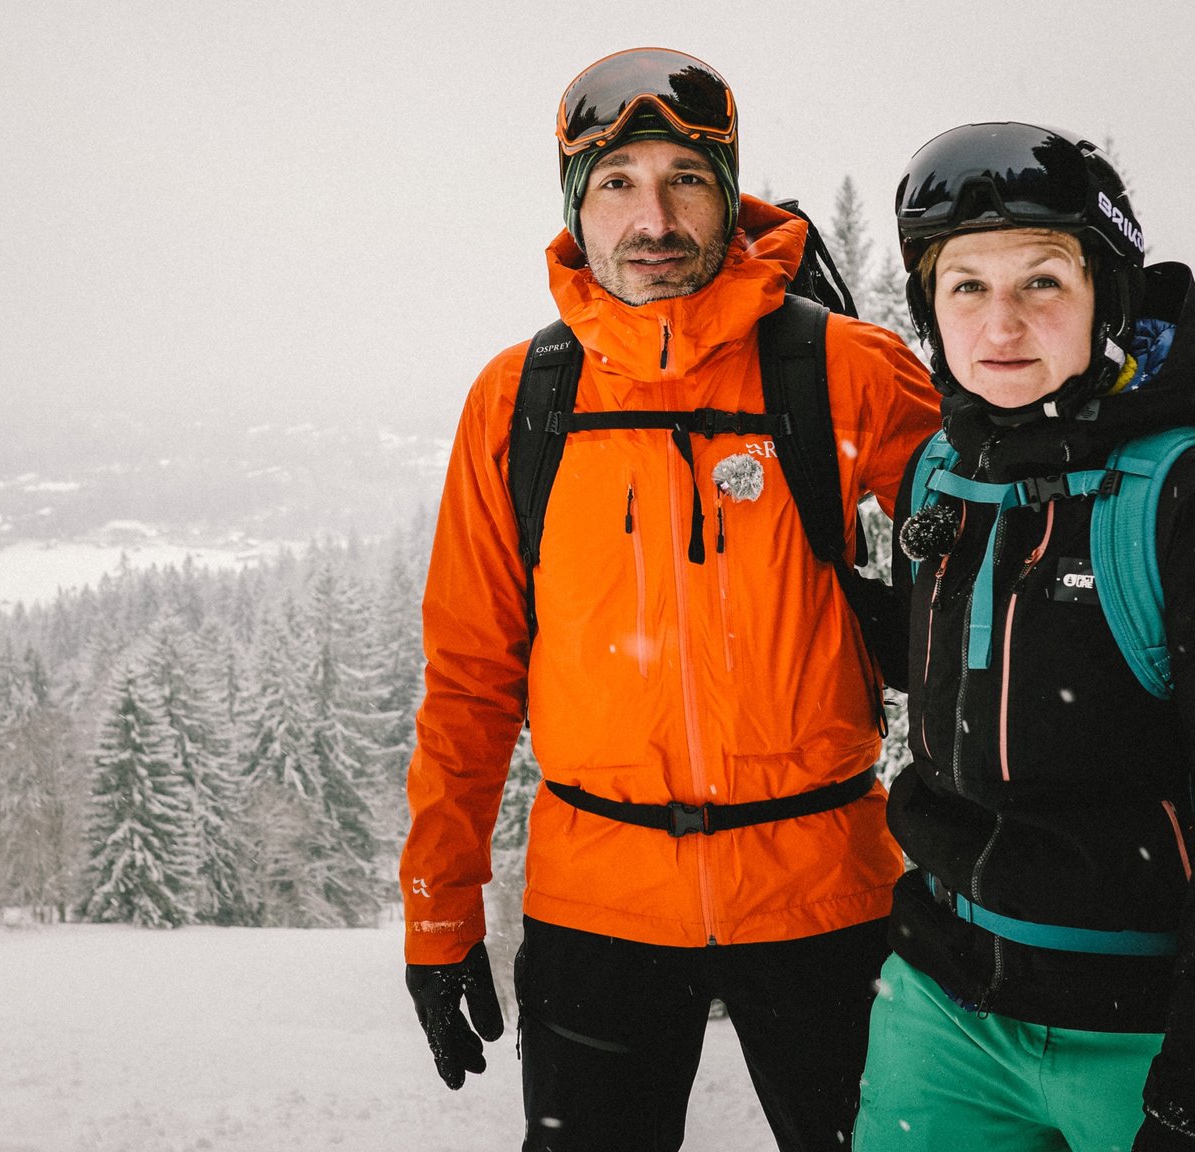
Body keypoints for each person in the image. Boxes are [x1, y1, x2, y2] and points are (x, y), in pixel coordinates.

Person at [398, 47, 940, 1152]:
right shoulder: (518, 401)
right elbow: (467, 680)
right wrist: (439, 909)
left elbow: (1015, 550)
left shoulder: (841, 368)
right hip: (598, 908)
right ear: (575, 208)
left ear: (729, 196)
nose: (654, 217)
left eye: (686, 180)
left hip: (824, 895)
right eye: (617, 183)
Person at [855, 122, 1195, 1152]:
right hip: (945, 1014)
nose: (1001, 323)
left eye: (1041, 282)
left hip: (1151, 1027)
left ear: (1105, 297)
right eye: (964, 287)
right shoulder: (940, 470)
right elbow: (969, 681)